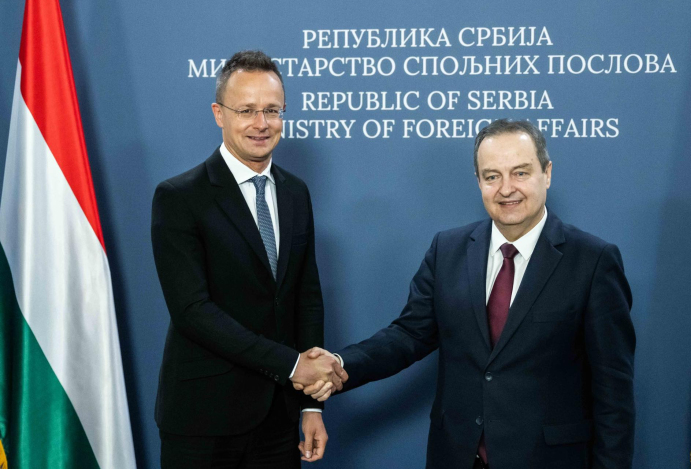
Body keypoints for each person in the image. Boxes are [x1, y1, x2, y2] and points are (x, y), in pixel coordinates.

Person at [300, 119, 635, 468]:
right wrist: (341, 364)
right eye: (492, 176)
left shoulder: (593, 261)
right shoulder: (448, 250)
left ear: (546, 173)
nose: (506, 189)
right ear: (478, 181)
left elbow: (614, 395)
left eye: (520, 173)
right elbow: (408, 335)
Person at [151, 49, 347, 468]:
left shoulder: (295, 192)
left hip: (279, 419)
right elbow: (192, 312)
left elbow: (306, 298)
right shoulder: (180, 197)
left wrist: (311, 405)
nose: (262, 123)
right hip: (203, 420)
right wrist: (292, 366)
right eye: (247, 110)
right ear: (219, 114)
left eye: (272, 110)